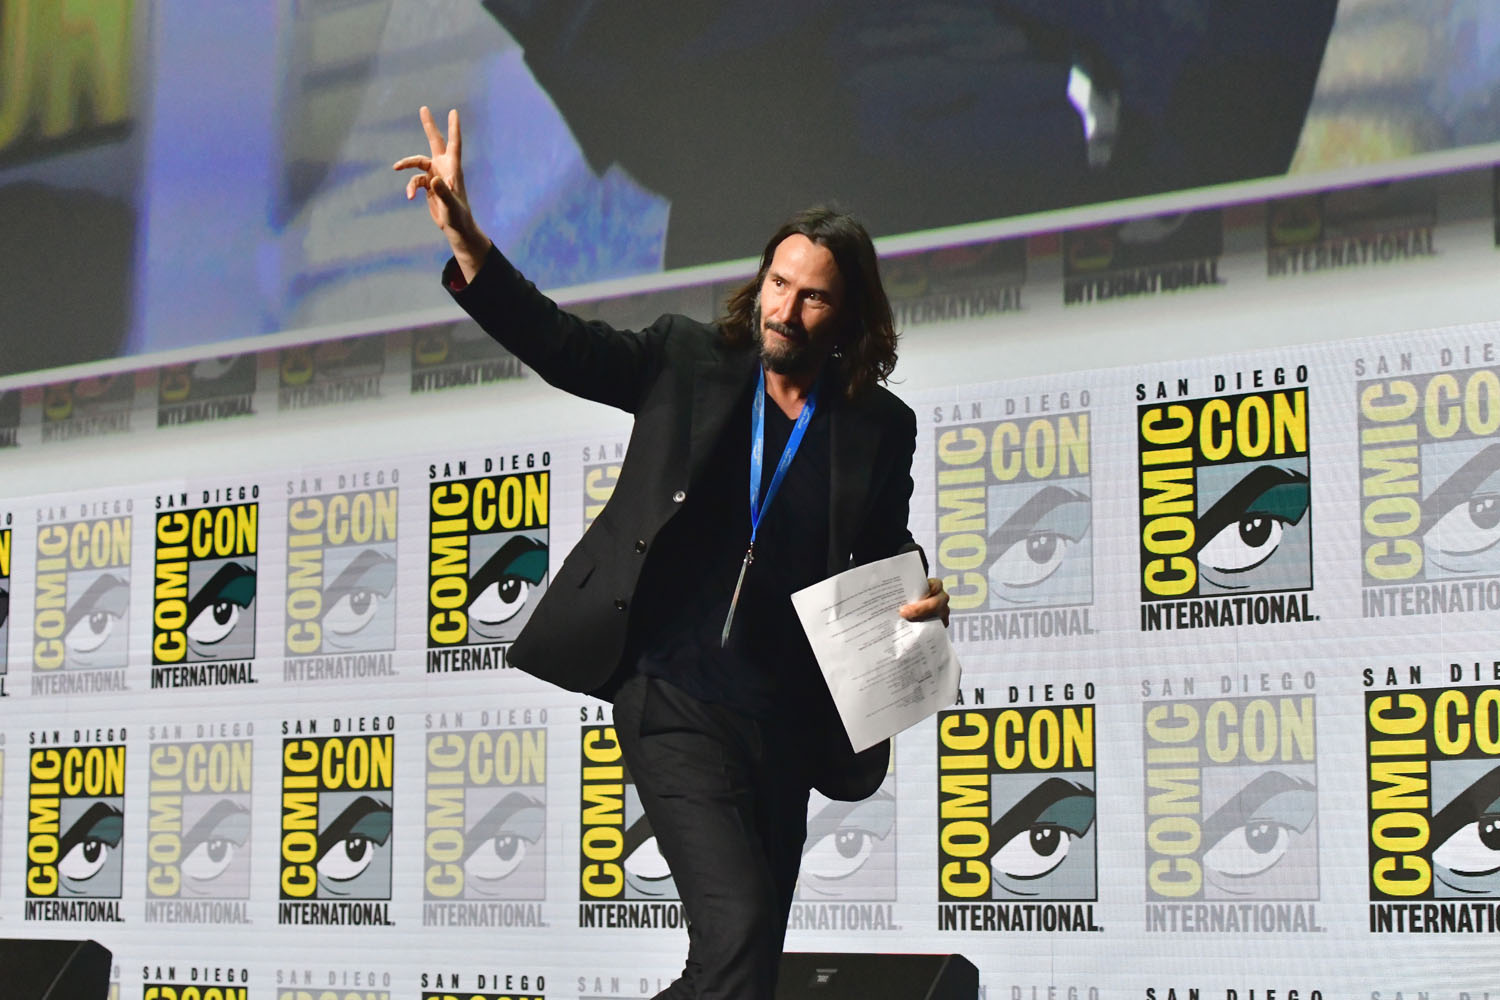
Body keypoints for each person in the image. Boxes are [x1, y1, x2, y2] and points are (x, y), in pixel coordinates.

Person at [396, 106, 949, 1000]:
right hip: (674, 697)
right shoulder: (688, 361)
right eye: (777, 284)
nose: (784, 310)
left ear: (849, 315)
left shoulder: (879, 427)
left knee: (738, 972)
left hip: (786, 718)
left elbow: (885, 551)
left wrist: (918, 599)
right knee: (740, 929)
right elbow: (563, 347)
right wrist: (469, 242)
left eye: (811, 297)